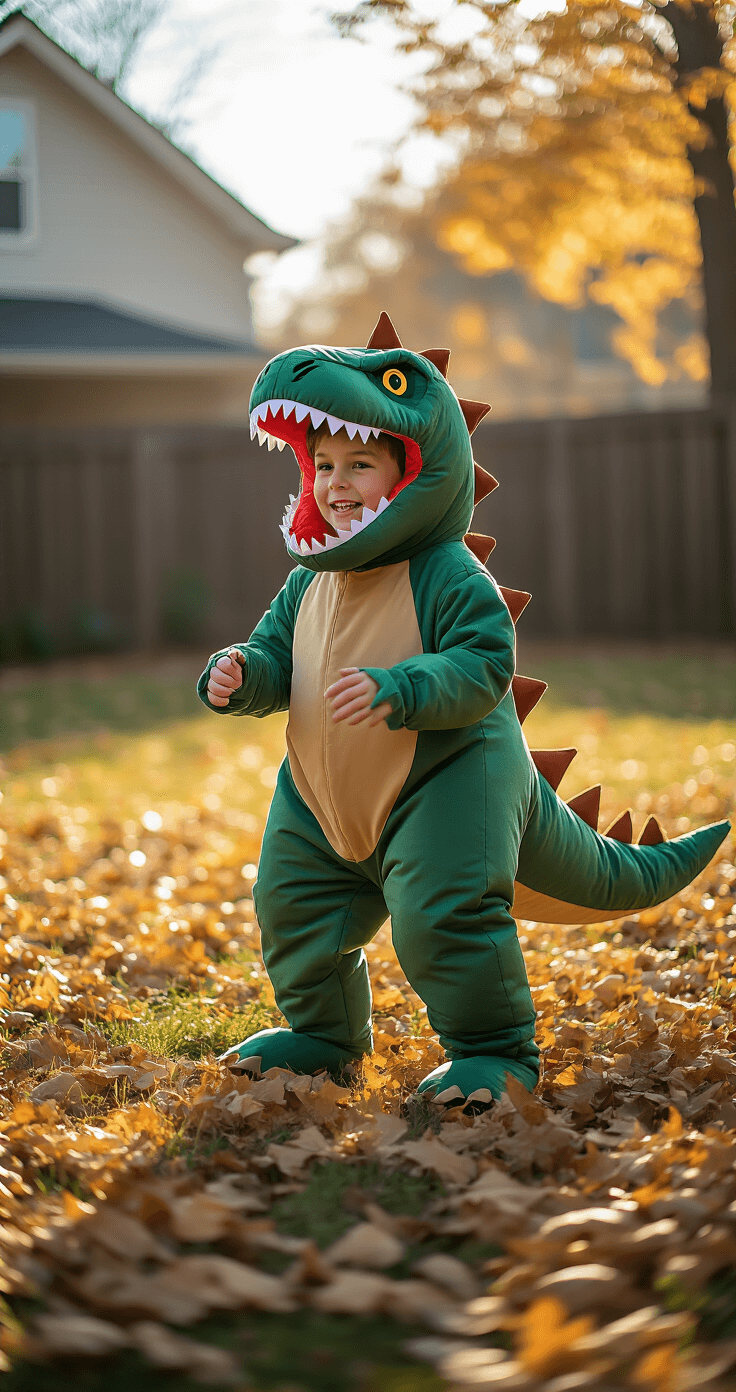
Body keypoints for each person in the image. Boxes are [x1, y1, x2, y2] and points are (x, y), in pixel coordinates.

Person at [198, 317, 729, 1111]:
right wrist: (241, 676)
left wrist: (402, 689)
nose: (338, 483)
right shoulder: (309, 581)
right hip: (321, 795)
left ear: (413, 466)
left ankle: (493, 1052)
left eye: (361, 464)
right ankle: (327, 1036)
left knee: (440, 919)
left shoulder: (445, 573)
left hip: (447, 782)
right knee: (291, 909)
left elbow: (483, 668)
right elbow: (279, 659)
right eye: (327, 466)